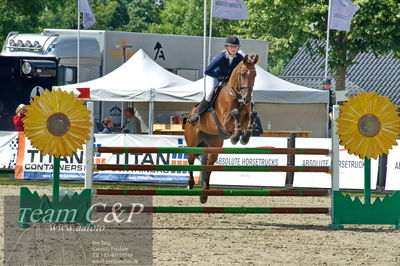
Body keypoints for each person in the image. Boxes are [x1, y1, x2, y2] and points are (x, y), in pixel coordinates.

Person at [188, 36, 244, 125]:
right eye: (231, 46)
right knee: (210, 92)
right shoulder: (220, 57)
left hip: (228, 79)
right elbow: (207, 70)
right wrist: (220, 77)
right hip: (214, 76)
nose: (234, 49)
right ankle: (197, 114)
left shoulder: (239, 58)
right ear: (227, 47)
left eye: (235, 47)